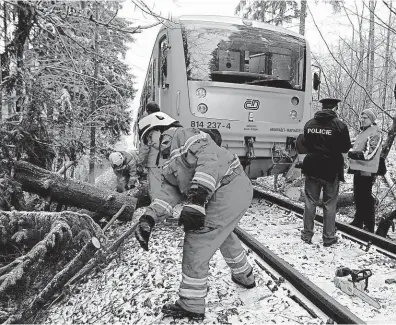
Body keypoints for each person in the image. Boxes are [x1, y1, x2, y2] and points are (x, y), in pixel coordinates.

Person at [134, 112, 255, 319]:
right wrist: (149, 218)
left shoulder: (184, 135)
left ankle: (191, 304)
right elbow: (169, 193)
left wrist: (197, 200)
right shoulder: (169, 160)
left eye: (149, 138)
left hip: (228, 188)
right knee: (222, 234)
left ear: (159, 128)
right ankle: (244, 275)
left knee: (196, 240)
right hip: (230, 190)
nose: (150, 145)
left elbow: (209, 160)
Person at [300, 98, 352, 247]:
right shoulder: (340, 125)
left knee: (310, 201)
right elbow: (345, 148)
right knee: (329, 204)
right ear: (335, 108)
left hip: (312, 167)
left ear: (322, 108)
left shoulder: (309, 124)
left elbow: (306, 143)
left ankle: (306, 235)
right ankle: (329, 238)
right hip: (331, 168)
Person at [348, 109, 382, 233]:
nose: (362, 119)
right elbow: (357, 146)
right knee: (358, 196)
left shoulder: (375, 132)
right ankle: (358, 221)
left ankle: (369, 225)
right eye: (361, 117)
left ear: (371, 119)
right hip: (358, 169)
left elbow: (370, 153)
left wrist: (352, 154)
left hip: (367, 170)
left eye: (365, 118)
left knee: (365, 198)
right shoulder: (364, 132)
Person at [136, 101, 164, 201]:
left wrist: (140, 164)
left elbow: (144, 149)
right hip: (166, 162)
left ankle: (157, 210)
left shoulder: (149, 127)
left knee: (155, 189)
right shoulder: (164, 124)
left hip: (154, 162)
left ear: (148, 111)